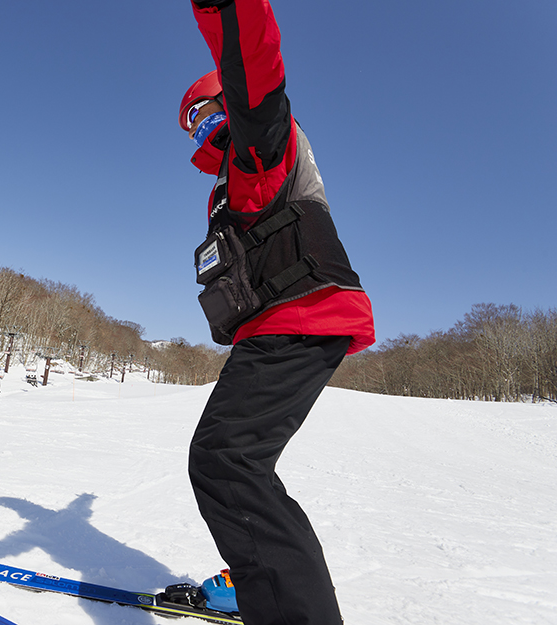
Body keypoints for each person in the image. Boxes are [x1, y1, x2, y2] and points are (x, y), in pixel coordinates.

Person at [177, 1, 375, 623]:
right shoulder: (234, 176)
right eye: (190, 127)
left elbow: (252, 60)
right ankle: (255, 581)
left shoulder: (261, 139)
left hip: (303, 316)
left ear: (225, 101)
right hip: (282, 322)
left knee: (226, 461)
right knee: (239, 464)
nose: (198, 130)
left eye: (203, 113)